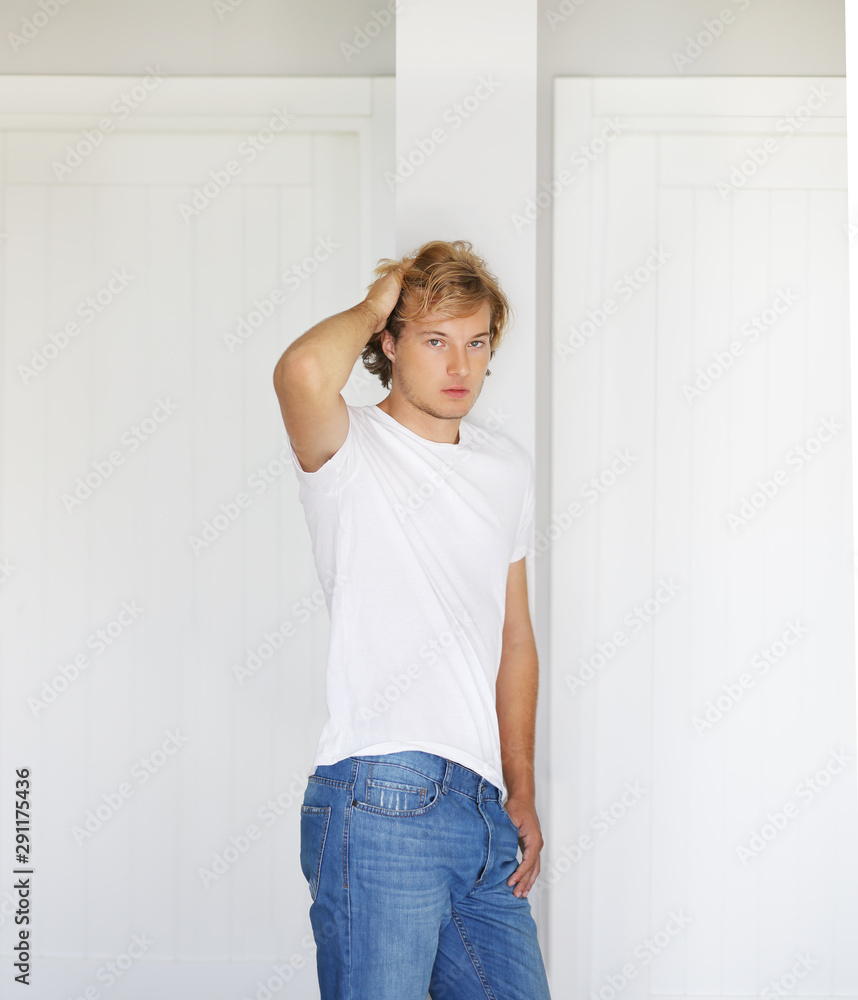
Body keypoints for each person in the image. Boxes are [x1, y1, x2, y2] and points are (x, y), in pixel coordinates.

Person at [272, 239, 552, 1000]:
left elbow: (515, 636)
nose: (460, 366)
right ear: (388, 344)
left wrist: (520, 787)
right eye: (435, 340)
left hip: (482, 807)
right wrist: (377, 301)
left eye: (477, 343)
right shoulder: (349, 446)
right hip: (379, 794)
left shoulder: (506, 468)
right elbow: (301, 371)